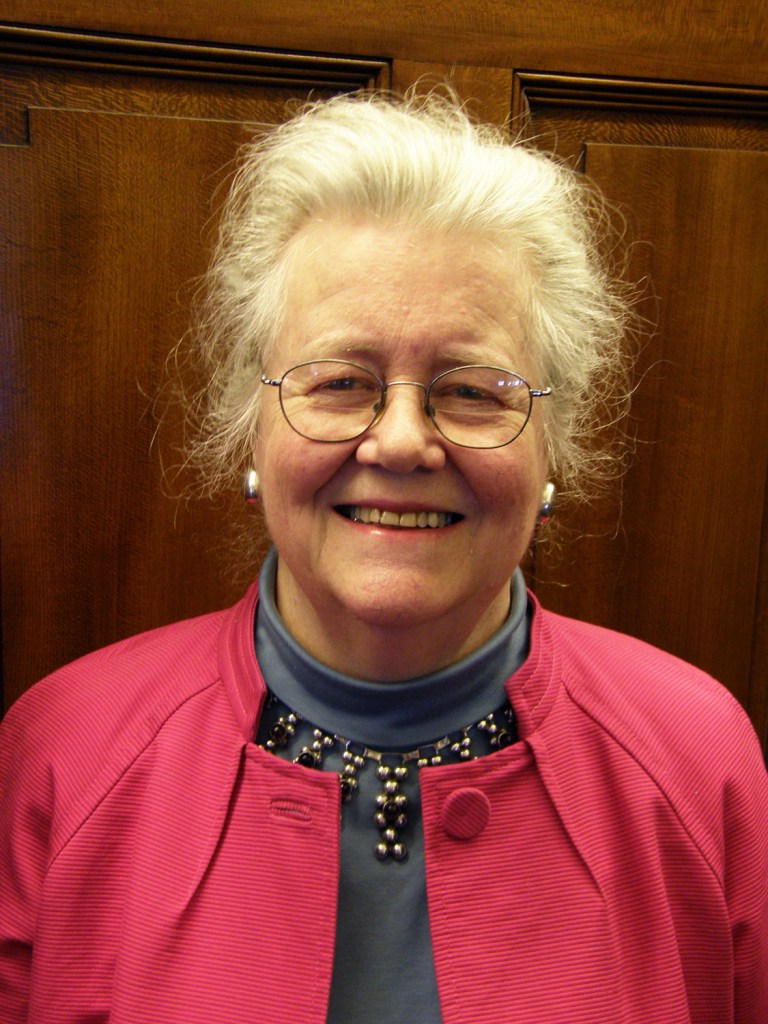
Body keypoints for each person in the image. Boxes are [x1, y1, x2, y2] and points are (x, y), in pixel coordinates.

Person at [1, 92, 766, 1024]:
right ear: (251, 425)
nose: (402, 442)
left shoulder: (697, 762)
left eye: (474, 390)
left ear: (552, 445)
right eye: (339, 381)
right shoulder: (64, 756)